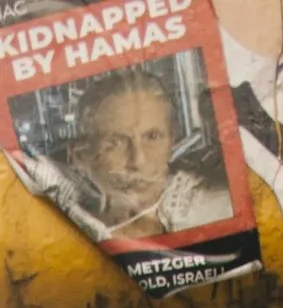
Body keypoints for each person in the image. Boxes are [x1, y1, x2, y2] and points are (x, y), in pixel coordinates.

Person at [57, 68, 238, 234]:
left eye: (152, 136)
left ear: (171, 142)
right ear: (82, 156)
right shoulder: (69, 227)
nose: (138, 161)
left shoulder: (219, 208)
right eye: (116, 142)